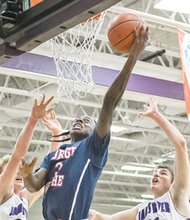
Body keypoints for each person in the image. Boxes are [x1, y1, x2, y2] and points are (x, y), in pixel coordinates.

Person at [22, 25, 149, 220]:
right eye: (77, 118)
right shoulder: (55, 154)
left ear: (96, 131)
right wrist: (26, 174)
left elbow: (109, 103)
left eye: (87, 120)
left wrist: (132, 57)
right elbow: (35, 185)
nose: (79, 119)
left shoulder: (93, 148)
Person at [89, 98, 190, 220]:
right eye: (155, 173)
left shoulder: (178, 196)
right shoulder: (141, 209)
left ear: (172, 182)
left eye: (162, 173)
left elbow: (181, 145)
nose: (156, 175)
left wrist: (156, 115)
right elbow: (107, 218)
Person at [0, 94, 55, 219]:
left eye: (21, 169)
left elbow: (48, 172)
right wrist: (33, 120)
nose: (19, 172)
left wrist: (56, 135)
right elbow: (17, 156)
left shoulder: (23, 197)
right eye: (15, 170)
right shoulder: (1, 188)